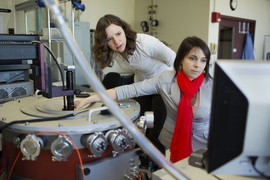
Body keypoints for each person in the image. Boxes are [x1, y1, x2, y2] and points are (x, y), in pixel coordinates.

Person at [75, 36, 213, 163]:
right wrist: (88, 99)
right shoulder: (166, 79)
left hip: (205, 144)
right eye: (192, 58)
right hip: (174, 142)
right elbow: (128, 90)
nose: (197, 65)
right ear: (181, 59)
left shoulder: (212, 85)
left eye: (203, 60)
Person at [92, 14, 176, 154]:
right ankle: (138, 162)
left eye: (118, 34)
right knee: (137, 126)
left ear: (124, 29)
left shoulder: (145, 43)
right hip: (142, 86)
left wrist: (175, 86)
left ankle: (155, 169)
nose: (116, 41)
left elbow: (173, 59)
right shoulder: (115, 53)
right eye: (109, 39)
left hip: (162, 86)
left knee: (155, 132)